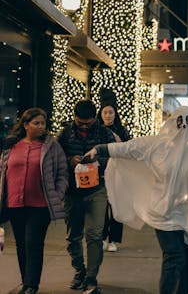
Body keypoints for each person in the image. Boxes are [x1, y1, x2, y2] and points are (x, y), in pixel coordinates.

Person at [85, 106, 188, 294]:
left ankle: (185, 290)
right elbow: (128, 148)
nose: (183, 128)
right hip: (165, 211)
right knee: (174, 256)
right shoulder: (157, 144)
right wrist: (98, 150)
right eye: (179, 122)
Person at [0, 108, 68, 294]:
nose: (40, 127)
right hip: (14, 203)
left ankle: (32, 285)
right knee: (21, 244)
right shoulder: (11, 145)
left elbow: (62, 173)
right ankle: (26, 282)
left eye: (43, 123)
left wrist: (57, 194)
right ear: (25, 125)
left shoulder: (51, 146)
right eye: (36, 123)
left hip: (40, 205)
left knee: (33, 243)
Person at [57, 100, 116, 293]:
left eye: (88, 123)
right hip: (72, 192)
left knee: (94, 235)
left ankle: (91, 277)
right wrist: (69, 161)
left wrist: (98, 160)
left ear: (94, 118)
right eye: (80, 122)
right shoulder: (65, 133)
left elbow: (115, 156)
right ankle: (79, 272)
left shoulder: (104, 133)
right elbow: (55, 158)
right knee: (73, 236)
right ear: (74, 117)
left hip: (97, 190)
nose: (83, 126)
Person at [98, 102, 130, 252]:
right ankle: (103, 237)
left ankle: (114, 240)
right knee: (102, 206)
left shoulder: (121, 130)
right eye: (105, 113)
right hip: (100, 171)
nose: (108, 116)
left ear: (115, 114)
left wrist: (117, 139)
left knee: (116, 206)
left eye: (111, 112)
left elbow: (127, 149)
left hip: (117, 172)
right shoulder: (97, 130)